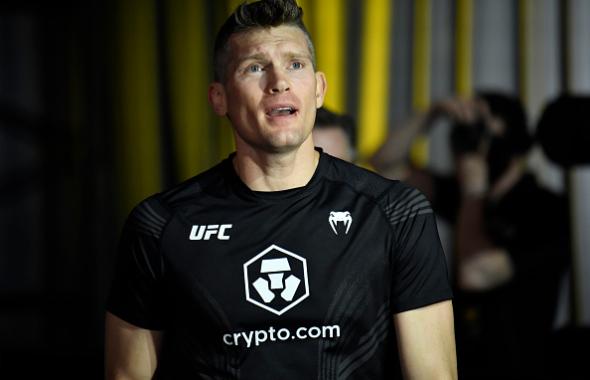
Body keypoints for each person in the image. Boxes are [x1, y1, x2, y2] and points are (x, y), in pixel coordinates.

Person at [104, 0, 457, 378]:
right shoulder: (159, 225)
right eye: (255, 67)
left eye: (295, 64)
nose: (279, 82)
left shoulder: (395, 213)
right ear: (218, 97)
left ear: (319, 89)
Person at [372, 92, 570, 379]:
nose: (473, 144)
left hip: (517, 364)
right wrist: (432, 111)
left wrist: (473, 192)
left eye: (482, 132)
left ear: (513, 141)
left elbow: (475, 273)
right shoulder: (466, 193)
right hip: (462, 360)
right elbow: (385, 165)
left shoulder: (545, 208)